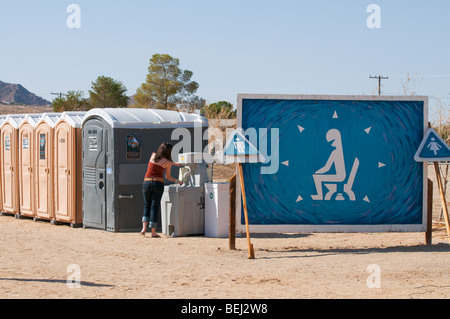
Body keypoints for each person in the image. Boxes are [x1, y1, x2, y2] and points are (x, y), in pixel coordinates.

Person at [140, 142, 182, 237]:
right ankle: (153, 232)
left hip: (146, 182)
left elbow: (158, 162)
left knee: (147, 205)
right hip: (157, 183)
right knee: (154, 206)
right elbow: (168, 176)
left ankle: (143, 229)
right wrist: (177, 181)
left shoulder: (153, 155)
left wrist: (173, 163)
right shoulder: (167, 162)